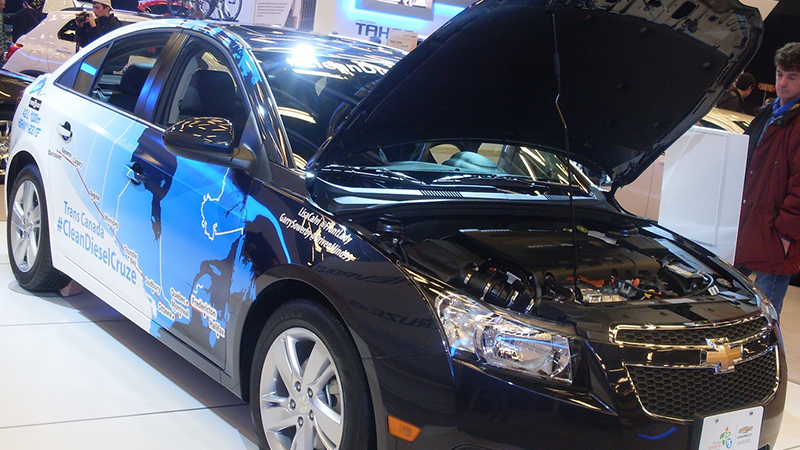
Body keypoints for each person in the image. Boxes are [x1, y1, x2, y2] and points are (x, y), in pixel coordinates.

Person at [735, 42, 800, 319]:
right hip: (750, 225)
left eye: (791, 77)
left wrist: (785, 235)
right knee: (731, 305)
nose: (782, 83)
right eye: (779, 74)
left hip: (776, 235)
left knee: (766, 317)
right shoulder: (769, 112)